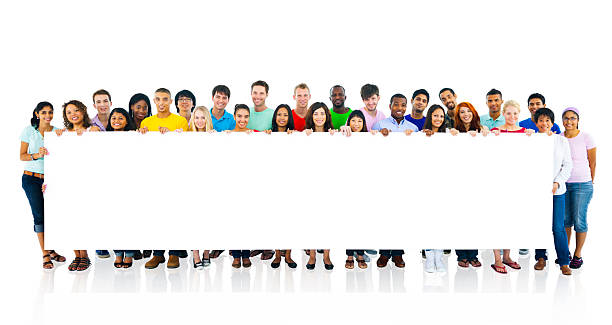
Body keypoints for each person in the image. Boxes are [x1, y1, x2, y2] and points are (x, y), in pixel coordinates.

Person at [140, 88, 189, 269]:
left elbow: (184, 145)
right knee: (156, 214)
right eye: (158, 99)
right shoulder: (147, 121)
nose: (161, 102)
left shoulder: (180, 120)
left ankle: (174, 254)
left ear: (170, 101)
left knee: (174, 213)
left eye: (165, 99)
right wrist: (142, 134)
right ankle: (158, 254)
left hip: (175, 173)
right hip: (153, 174)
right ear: (154, 100)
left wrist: (170, 135)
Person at [20, 102, 66, 269]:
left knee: (52, 216)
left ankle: (52, 250)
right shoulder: (29, 131)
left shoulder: (56, 132)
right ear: (37, 114)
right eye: (44, 112)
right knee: (39, 216)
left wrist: (63, 137)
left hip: (51, 179)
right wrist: (36, 155)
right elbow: (22, 156)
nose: (48, 115)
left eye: (51, 112)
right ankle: (45, 254)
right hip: (31, 179)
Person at [489, 100, 533, 273]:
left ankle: (507, 256)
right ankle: (497, 259)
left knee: (511, 219)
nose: (512, 116)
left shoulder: (524, 133)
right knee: (497, 220)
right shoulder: (496, 132)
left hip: (517, 182)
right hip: (498, 181)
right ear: (503, 114)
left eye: (515, 113)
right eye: (508, 113)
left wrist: (532, 137)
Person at [57, 100, 99, 271]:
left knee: (82, 218)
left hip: (86, 181)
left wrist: (86, 136)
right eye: (68, 112)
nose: (73, 114)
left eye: (76, 110)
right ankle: (77, 255)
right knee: (70, 219)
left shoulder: (93, 129)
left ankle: (85, 256)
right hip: (69, 181)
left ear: (83, 112)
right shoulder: (63, 134)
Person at [532, 108, 573, 275]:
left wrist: (557, 181)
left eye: (547, 120)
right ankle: (541, 258)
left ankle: (564, 261)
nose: (544, 123)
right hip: (536, 190)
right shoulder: (532, 140)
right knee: (539, 225)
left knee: (558, 227)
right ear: (536, 123)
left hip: (556, 190)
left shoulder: (561, 141)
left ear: (552, 122)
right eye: (541, 120)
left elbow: (567, 165)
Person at [448, 102, 486, 268]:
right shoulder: (453, 130)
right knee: (459, 219)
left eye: (468, 111)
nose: (465, 114)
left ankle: (473, 255)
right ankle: (461, 255)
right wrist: (452, 135)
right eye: (462, 112)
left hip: (477, 181)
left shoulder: (481, 129)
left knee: (475, 219)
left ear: (473, 112)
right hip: (457, 181)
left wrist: (487, 134)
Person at [562, 107, 596, 269]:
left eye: (572, 118)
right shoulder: (558, 138)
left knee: (579, 220)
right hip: (563, 185)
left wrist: (590, 181)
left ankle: (578, 254)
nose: (569, 121)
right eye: (566, 118)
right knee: (565, 220)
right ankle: (565, 253)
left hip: (582, 184)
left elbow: (593, 162)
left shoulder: (586, 137)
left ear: (578, 120)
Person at [303, 102, 335, 269]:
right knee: (311, 221)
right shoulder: (306, 134)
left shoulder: (333, 134)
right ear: (311, 116)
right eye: (316, 114)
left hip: (329, 186)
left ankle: (327, 256)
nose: (319, 117)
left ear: (327, 116)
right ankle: (313, 255)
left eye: (322, 113)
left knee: (328, 221)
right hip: (309, 186)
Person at [106, 108, 138, 268]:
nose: (116, 120)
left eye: (120, 118)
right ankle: (118, 253)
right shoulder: (103, 139)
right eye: (113, 118)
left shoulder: (134, 136)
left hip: (130, 185)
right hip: (110, 186)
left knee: (129, 221)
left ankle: (129, 254)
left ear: (127, 121)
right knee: (113, 221)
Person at [185, 106, 216, 269]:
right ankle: (196, 253)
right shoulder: (185, 136)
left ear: (207, 120)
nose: (199, 121)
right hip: (191, 185)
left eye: (203, 117)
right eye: (196, 117)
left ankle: (206, 252)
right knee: (193, 221)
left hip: (210, 184)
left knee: (209, 220)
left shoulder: (214, 136)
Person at [91, 89, 112, 258]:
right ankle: (100, 242)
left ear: (110, 103)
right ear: (94, 105)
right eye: (99, 102)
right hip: (97, 170)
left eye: (105, 101)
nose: (102, 105)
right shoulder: (90, 124)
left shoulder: (119, 120)